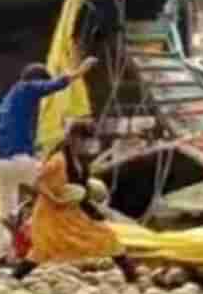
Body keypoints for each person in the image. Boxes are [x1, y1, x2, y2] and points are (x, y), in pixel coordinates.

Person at [0, 58, 98, 263]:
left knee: (7, 210)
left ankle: (5, 254)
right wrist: (81, 70)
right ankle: (75, 239)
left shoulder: (8, 100)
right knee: (63, 192)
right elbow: (54, 85)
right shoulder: (27, 88)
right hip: (17, 160)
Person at [13, 119, 139, 283]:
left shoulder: (80, 160)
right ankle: (15, 277)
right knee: (44, 248)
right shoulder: (58, 160)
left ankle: (131, 275)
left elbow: (81, 190)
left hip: (72, 212)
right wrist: (55, 199)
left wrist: (94, 211)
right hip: (52, 213)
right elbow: (37, 182)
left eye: (88, 140)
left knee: (106, 236)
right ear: (72, 138)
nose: (86, 144)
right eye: (83, 139)